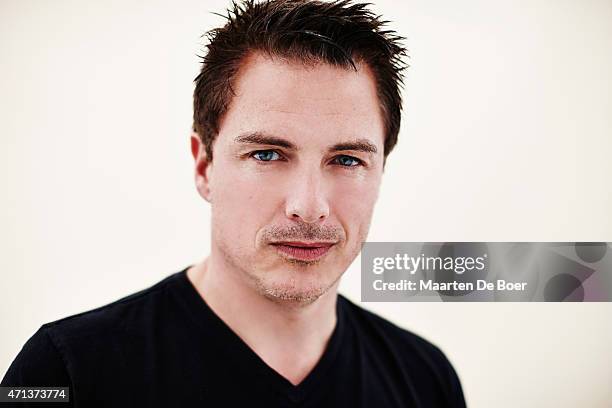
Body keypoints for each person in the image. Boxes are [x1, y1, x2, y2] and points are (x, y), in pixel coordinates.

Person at [2, 0, 467, 406]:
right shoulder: (62, 372)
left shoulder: (427, 378)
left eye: (346, 159)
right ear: (204, 166)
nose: (309, 206)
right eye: (267, 154)